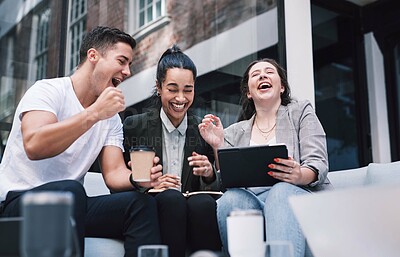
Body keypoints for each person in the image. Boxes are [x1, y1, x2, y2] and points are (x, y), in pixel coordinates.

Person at [0, 26, 163, 257]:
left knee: (140, 205)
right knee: (71, 190)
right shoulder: (48, 91)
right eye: (122, 61)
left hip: (72, 204)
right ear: (93, 56)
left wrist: (138, 179)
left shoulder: (111, 119)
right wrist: (94, 113)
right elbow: (35, 145)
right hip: (19, 204)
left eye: (130, 65)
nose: (127, 72)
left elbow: (114, 173)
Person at [198, 58, 331, 257]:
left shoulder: (301, 111)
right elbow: (227, 181)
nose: (262, 75)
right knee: (231, 199)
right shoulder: (234, 132)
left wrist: (299, 175)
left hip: (299, 198)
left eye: (269, 72)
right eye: (255, 74)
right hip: (254, 203)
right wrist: (218, 146)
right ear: (248, 93)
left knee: (281, 191)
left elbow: (318, 163)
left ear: (282, 87)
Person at [123, 45, 222, 257]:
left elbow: (217, 185)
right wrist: (148, 183)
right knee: (171, 199)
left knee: (203, 203)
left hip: (194, 209)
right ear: (158, 87)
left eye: (188, 90)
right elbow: (122, 181)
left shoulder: (203, 130)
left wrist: (209, 173)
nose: (180, 98)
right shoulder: (135, 126)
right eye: (172, 89)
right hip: (156, 207)